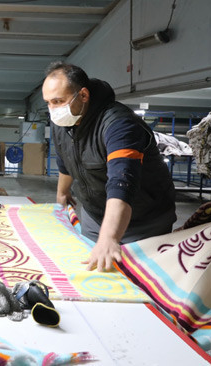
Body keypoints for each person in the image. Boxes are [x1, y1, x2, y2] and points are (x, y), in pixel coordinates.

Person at [42, 62, 176, 272]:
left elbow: (122, 182)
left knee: (141, 279)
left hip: (144, 220)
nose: (53, 110)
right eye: (48, 103)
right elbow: (64, 160)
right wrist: (63, 192)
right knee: (94, 273)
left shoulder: (120, 125)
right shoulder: (62, 124)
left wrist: (109, 238)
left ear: (83, 95)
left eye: (58, 101)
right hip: (95, 215)